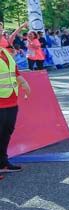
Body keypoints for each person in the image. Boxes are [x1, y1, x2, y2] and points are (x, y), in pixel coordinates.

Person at [0, 44, 30, 173]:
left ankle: (3, 163)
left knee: (6, 133)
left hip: (11, 101)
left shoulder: (6, 53)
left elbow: (15, 72)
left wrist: (24, 84)